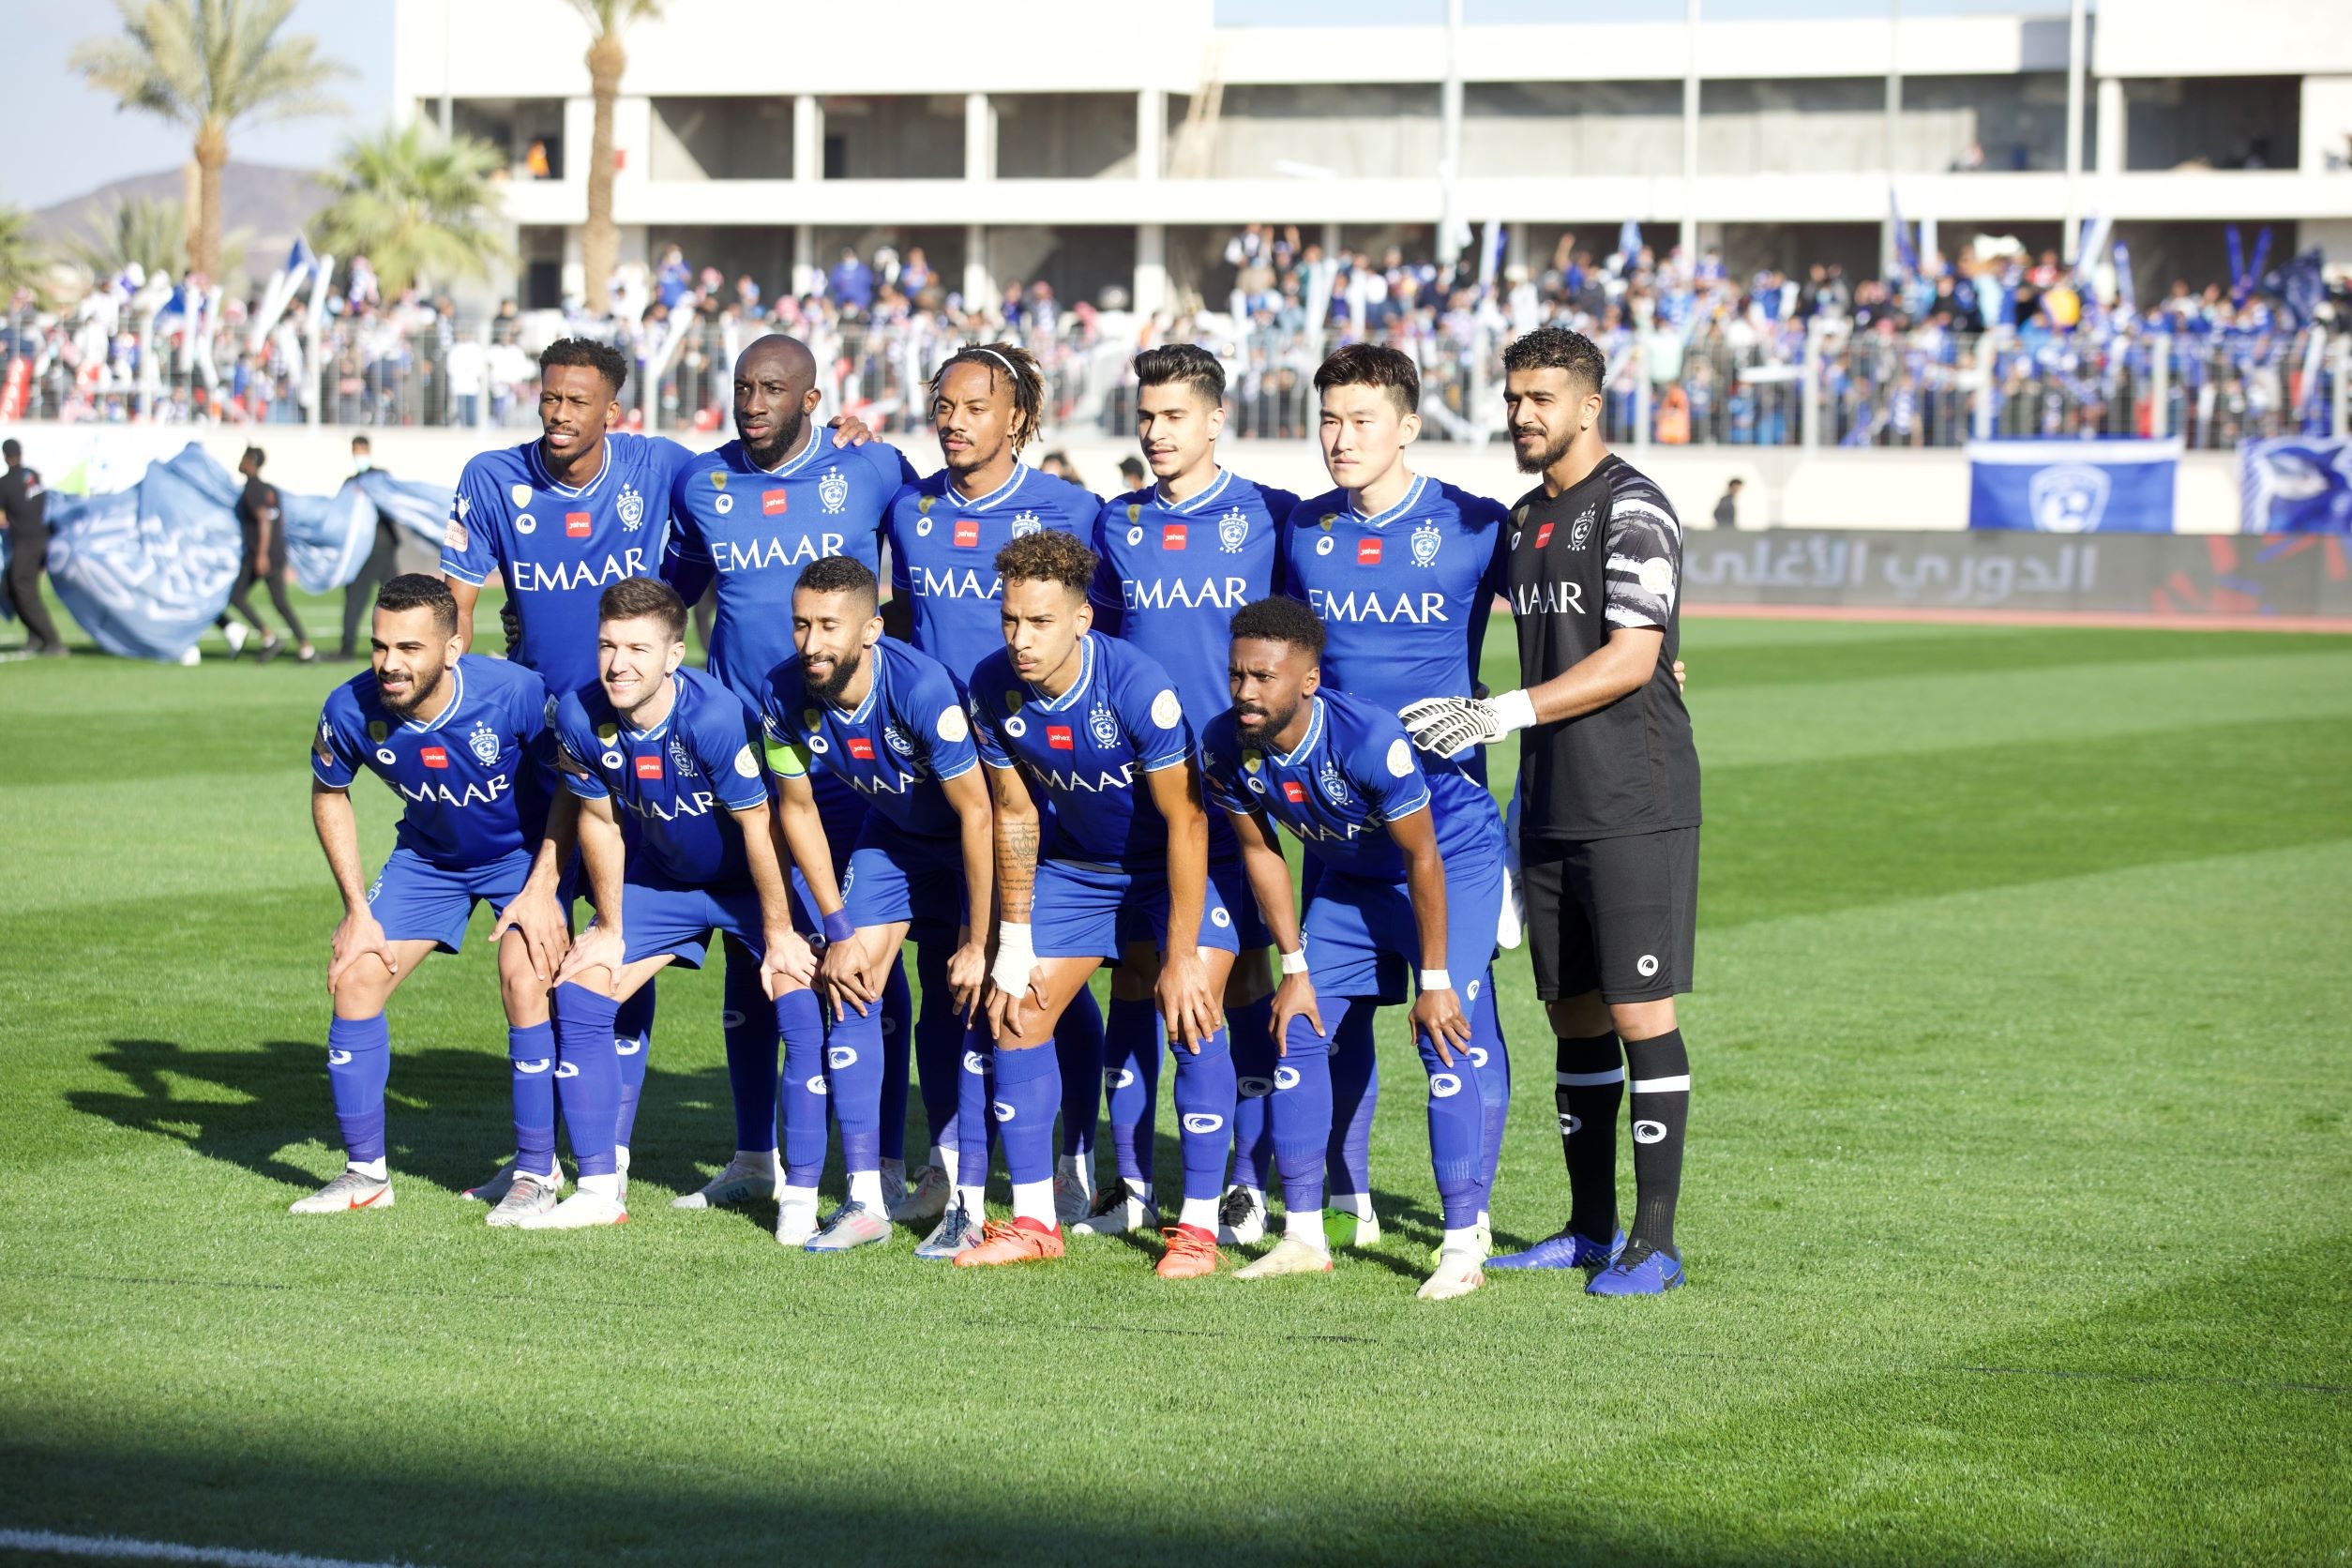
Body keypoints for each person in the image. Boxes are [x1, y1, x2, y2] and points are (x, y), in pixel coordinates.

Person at [439, 337, 868, 1202]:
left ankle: (808, 1171)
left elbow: (750, 475)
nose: (560, 414)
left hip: (669, 745)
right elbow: (458, 600)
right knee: (546, 949)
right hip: (553, 744)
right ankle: (545, 1163)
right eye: (549, 398)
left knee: (667, 941)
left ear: (614, 411)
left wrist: (839, 439)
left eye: (577, 401)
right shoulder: (493, 477)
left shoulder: (665, 467)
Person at [1402, 325, 1702, 1297]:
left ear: (1588, 404)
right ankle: (1588, 1226)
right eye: (1514, 397)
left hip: (1634, 797)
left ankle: (1655, 1241)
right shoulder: (1527, 517)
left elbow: (1633, 656)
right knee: (1571, 1017)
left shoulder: (1635, 506)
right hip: (1552, 801)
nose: (1522, 415)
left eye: (1541, 398)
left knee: (1637, 1010)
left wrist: (1499, 712)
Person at [659, 333, 929, 1217]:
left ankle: (882, 1161)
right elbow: (676, 589)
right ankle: (752, 1155)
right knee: (758, 951)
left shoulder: (875, 468)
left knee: (863, 960)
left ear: (813, 399)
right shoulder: (702, 482)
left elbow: (923, 564)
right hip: (744, 760)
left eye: (773, 388)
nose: (753, 401)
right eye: (743, 387)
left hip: (855, 763)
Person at [1277, 343, 1514, 1252]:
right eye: (1329, 419)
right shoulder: (1302, 531)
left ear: (1409, 427)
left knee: (1456, 1019)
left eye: (1362, 420)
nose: (1340, 438)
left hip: (1445, 823)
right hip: (1340, 825)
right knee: (1324, 1023)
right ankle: (1339, 1205)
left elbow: (1568, 604)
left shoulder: (1474, 526)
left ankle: (1471, 1219)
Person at [958, 530, 1241, 1278]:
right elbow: (1014, 813)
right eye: (1011, 619)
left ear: (1082, 620)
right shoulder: (992, 687)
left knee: (1193, 1010)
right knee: (1014, 1012)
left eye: (1041, 622)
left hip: (1166, 867)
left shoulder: (1137, 686)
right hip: (1078, 872)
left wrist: (1180, 957)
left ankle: (1199, 1230)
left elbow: (1186, 821)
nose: (1021, 639)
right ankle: (1034, 1221)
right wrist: (1012, 939)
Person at [1204, 596, 1505, 1299]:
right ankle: (1305, 1236)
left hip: (1449, 861)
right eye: (1238, 675)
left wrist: (1435, 978)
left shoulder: (1369, 738)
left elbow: (1424, 857)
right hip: (1348, 873)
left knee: (1445, 1035)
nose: (1247, 692)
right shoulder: (1224, 743)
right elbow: (1262, 853)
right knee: (1298, 1030)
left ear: (1308, 681)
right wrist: (1294, 967)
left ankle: (1462, 1247)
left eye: (1265, 678)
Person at [1077, 343, 1299, 1244]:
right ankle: (1130, 1185)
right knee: (1140, 973)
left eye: (1175, 416)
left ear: (1216, 419)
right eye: (1147, 416)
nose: (1158, 432)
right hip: (1138, 793)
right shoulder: (1115, 525)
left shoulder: (1272, 517)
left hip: (1235, 795)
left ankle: (1239, 1183)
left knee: (1226, 977)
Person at [881, 342, 1108, 1219]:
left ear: (1017, 417)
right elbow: (901, 616)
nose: (954, 422)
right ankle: (947, 1160)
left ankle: (1074, 1154)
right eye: (943, 406)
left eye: (976, 407)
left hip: (1037, 783)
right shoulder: (911, 509)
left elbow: (1099, 624)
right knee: (949, 968)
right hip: (936, 779)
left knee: (1047, 979)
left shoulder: (1070, 509)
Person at [531, 578, 825, 1233]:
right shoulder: (579, 717)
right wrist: (607, 928)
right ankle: (599, 1189)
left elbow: (761, 829)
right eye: (607, 645)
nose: (617, 663)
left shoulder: (715, 717)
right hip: (666, 883)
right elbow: (601, 825)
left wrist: (780, 933)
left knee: (798, 1000)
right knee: (580, 990)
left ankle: (798, 1196)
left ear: (673, 653)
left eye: (638, 647)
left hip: (752, 885)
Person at [294, 574, 568, 1218]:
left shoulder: (516, 693)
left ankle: (537, 1172)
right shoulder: (348, 708)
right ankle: (366, 1174)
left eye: (410, 648)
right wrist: (357, 911)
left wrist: (544, 884)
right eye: (381, 645)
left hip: (522, 858)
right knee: (356, 976)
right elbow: (328, 793)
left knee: (524, 981)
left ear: (452, 648)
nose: (390, 663)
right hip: (428, 859)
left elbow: (572, 788)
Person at [757, 556, 998, 1256]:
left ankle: (968, 1199)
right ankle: (865, 1199)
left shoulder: (921, 689)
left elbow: (979, 816)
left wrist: (979, 940)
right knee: (849, 983)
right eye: (801, 623)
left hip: (967, 843)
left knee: (974, 998)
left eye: (829, 626)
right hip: (890, 839)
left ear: (871, 630)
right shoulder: (782, 693)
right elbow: (795, 809)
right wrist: (837, 928)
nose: (811, 642)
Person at [219, 446, 315, 664]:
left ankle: (269, 637)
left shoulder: (252, 489)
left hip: (261, 555)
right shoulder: (269, 489)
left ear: (251, 461)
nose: (240, 461)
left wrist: (261, 554)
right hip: (274, 553)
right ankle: (304, 647)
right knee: (279, 602)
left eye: (244, 457)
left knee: (237, 596)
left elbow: (264, 520)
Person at [339, 436, 402, 660]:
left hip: (383, 548)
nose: (359, 455)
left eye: (362, 450)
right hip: (362, 552)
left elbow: (393, 502)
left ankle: (404, 642)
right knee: (354, 598)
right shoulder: (350, 483)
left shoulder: (380, 478)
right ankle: (347, 648)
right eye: (356, 450)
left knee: (398, 599)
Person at [0, 438, 65, 656]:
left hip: (25, 542)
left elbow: (1, 519)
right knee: (10, 586)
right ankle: (35, 636)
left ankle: (52, 641)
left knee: (22, 589)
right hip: (40, 538)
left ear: (5, 456)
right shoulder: (33, 476)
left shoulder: (4, 483)